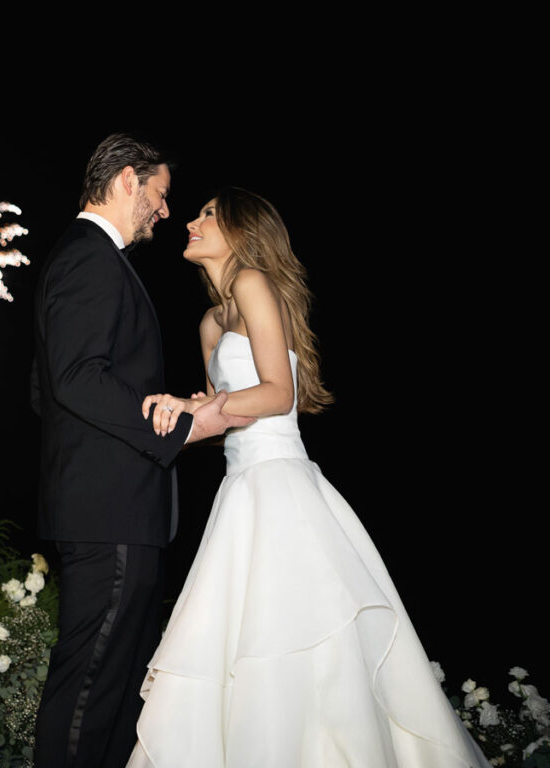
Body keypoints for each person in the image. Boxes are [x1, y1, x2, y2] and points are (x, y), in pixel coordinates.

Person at [127, 188, 491, 767]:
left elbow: (278, 394)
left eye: (207, 215)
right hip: (238, 491)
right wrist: (198, 411)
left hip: (281, 486)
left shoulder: (251, 283)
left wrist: (199, 407)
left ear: (243, 232)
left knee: (296, 637)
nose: (190, 222)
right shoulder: (209, 322)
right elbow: (229, 418)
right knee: (243, 645)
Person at [31, 135, 254, 768]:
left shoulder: (87, 258)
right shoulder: (89, 257)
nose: (163, 210)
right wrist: (178, 427)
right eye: (159, 195)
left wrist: (162, 407)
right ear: (127, 180)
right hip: (109, 513)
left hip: (111, 507)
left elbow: (44, 389)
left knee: (118, 697)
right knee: (88, 691)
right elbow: (74, 378)